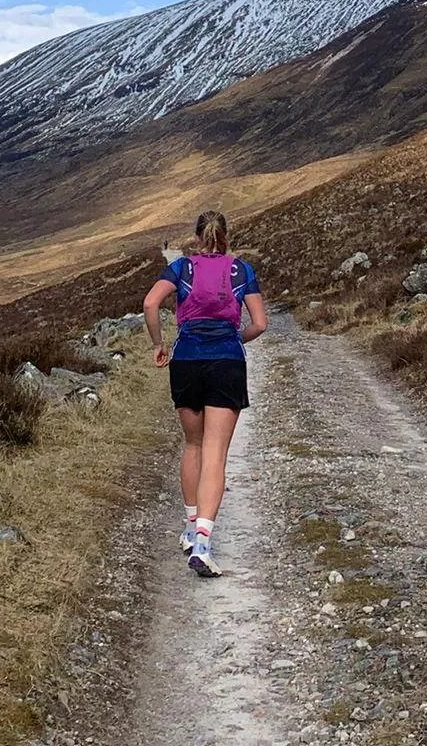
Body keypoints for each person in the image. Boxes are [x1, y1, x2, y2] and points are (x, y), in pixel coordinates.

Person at [143, 210, 268, 577]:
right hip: (226, 363)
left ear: (197, 239)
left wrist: (158, 344)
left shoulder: (182, 268)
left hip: (186, 361)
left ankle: (189, 525)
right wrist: (234, 339)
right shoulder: (241, 271)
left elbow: (151, 303)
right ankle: (203, 541)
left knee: (193, 446)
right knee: (215, 454)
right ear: (226, 237)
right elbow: (260, 323)